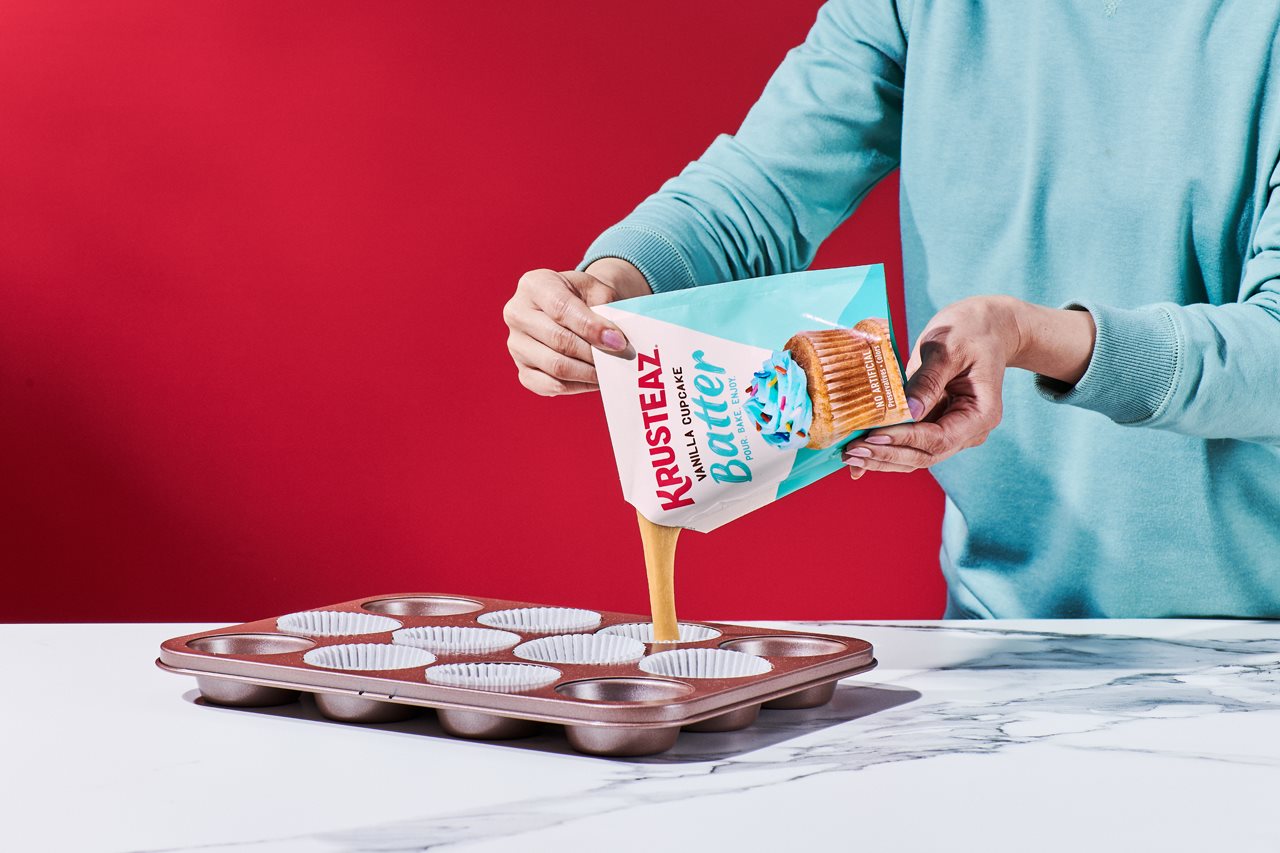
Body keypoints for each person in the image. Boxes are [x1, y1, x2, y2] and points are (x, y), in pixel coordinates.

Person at [502, 1, 1280, 619]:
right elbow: (763, 188)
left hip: (1247, 652)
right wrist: (610, 284)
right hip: (1002, 640)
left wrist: (1031, 337)